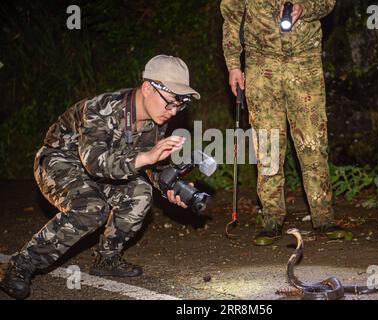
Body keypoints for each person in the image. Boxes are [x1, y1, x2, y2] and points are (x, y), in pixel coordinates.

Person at [0, 55, 200, 299]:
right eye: (170, 102)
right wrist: (147, 158)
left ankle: (107, 258)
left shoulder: (156, 120)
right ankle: (20, 265)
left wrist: (170, 186)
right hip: (59, 161)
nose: (173, 111)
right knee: (91, 208)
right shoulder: (101, 108)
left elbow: (150, 163)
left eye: (180, 105)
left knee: (140, 194)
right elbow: (95, 162)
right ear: (148, 88)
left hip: (106, 168)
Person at [220, 0, 345, 246]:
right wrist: (234, 64)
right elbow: (233, 16)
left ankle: (323, 218)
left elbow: (328, 3)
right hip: (260, 64)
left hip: (304, 63)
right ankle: (271, 219)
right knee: (267, 146)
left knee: (313, 142)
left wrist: (304, 8)